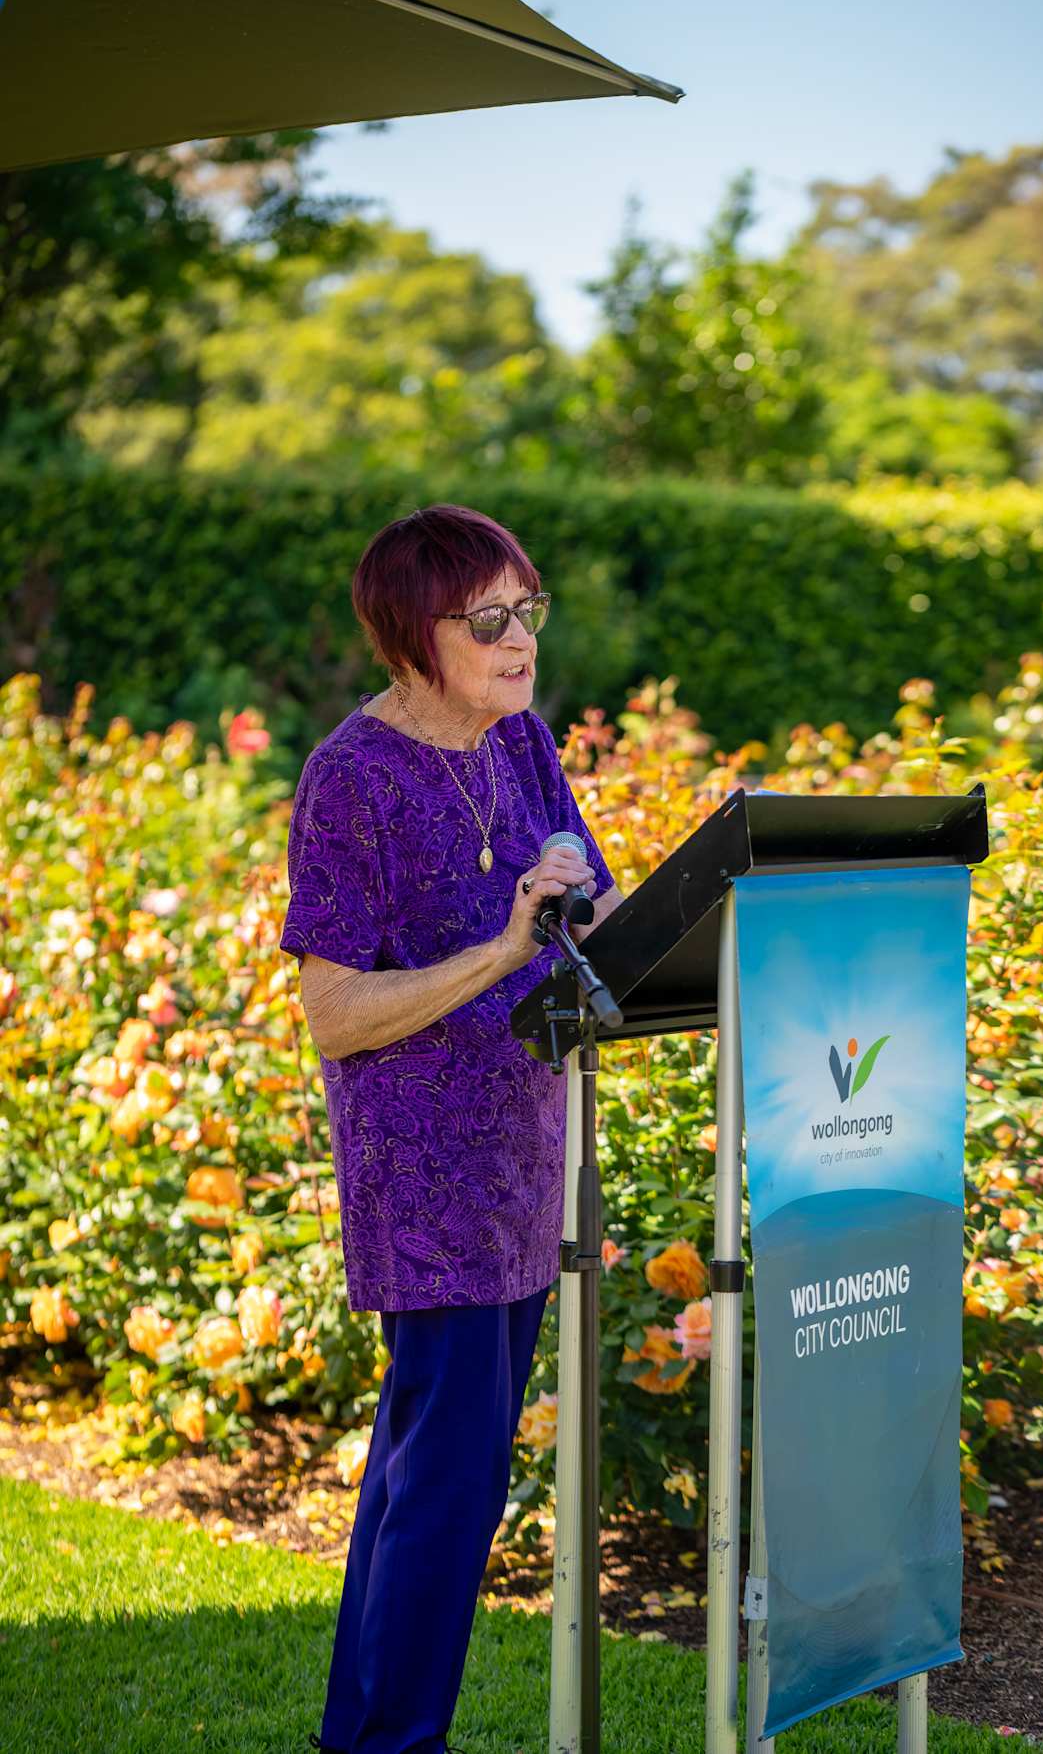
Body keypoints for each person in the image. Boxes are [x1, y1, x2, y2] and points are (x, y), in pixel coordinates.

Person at [278, 503, 623, 1754]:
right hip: (423, 1176)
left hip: (520, 1158)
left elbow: (585, 883)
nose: (521, 637)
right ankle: (394, 1739)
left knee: (423, 1467)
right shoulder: (351, 777)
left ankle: (361, 1732)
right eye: (490, 619)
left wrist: (603, 905)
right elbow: (331, 1011)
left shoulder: (519, 742)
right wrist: (501, 950)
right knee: (452, 1482)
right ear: (412, 634)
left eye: (529, 608)